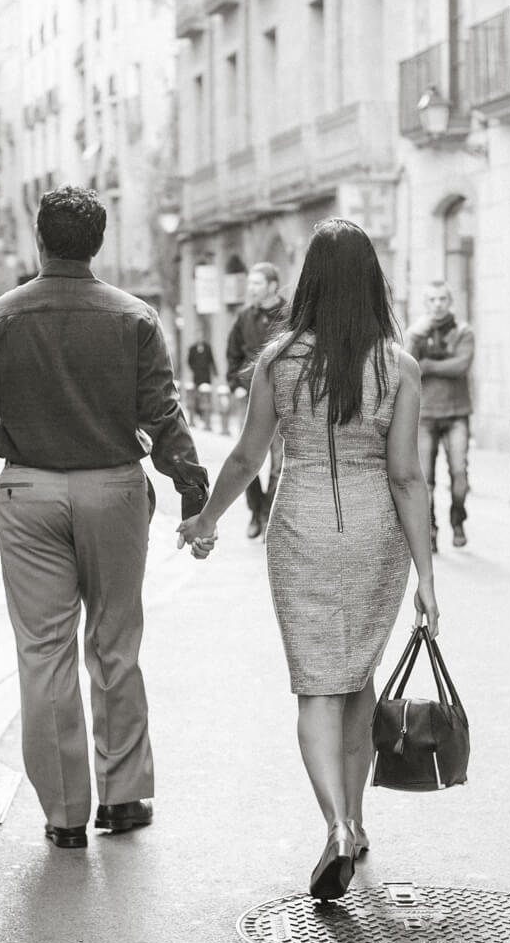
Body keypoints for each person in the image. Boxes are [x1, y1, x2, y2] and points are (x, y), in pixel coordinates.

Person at [178, 219, 439, 902]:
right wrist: (428, 578)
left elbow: (246, 457)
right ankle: (353, 823)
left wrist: (206, 521)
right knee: (356, 679)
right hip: (376, 532)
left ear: (310, 284)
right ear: (371, 282)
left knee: (318, 684)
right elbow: (409, 477)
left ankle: (340, 825)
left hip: (301, 529)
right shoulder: (398, 365)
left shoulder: (279, 360)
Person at [0, 186, 210, 851]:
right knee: (116, 643)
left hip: (28, 495)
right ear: (97, 243)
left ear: (40, 239)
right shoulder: (134, 318)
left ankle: (64, 814)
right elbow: (163, 414)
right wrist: (191, 489)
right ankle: (122, 799)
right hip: (114, 491)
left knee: (43, 655)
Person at [406, 281, 475, 551]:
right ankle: (430, 529)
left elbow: (461, 365)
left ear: (450, 302)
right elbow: (407, 366)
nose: (438, 304)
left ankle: (457, 517)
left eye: (442, 299)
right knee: (425, 480)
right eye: (432, 299)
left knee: (459, 476)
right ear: (426, 304)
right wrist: (414, 339)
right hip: (425, 416)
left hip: (457, 414)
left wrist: (427, 365)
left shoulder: (463, 331)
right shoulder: (417, 333)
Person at [226, 262, 289, 537]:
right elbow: (232, 355)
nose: (251, 288)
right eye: (250, 283)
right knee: (247, 458)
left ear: (272, 286)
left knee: (280, 461)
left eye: (257, 283)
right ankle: (255, 511)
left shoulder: (291, 314)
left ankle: (267, 514)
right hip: (250, 396)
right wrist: (234, 384)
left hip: (283, 399)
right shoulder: (243, 318)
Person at [186, 337, 218, 431]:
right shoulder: (192, 348)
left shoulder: (207, 347)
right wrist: (194, 369)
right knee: (196, 396)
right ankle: (197, 413)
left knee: (206, 396)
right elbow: (189, 361)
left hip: (206, 376)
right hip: (197, 376)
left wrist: (215, 372)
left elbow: (212, 360)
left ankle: (205, 416)